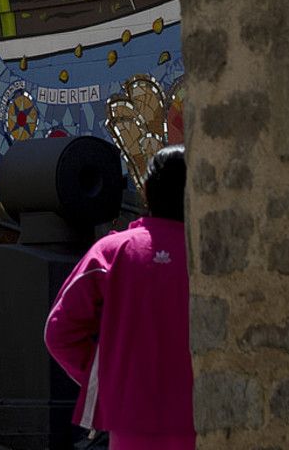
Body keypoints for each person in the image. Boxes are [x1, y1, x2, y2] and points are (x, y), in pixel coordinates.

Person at [44, 144, 195, 450]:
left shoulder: (112, 252)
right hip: (204, 415)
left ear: (147, 192)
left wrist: (107, 377)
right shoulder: (214, 256)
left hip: (129, 420)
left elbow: (59, 332)